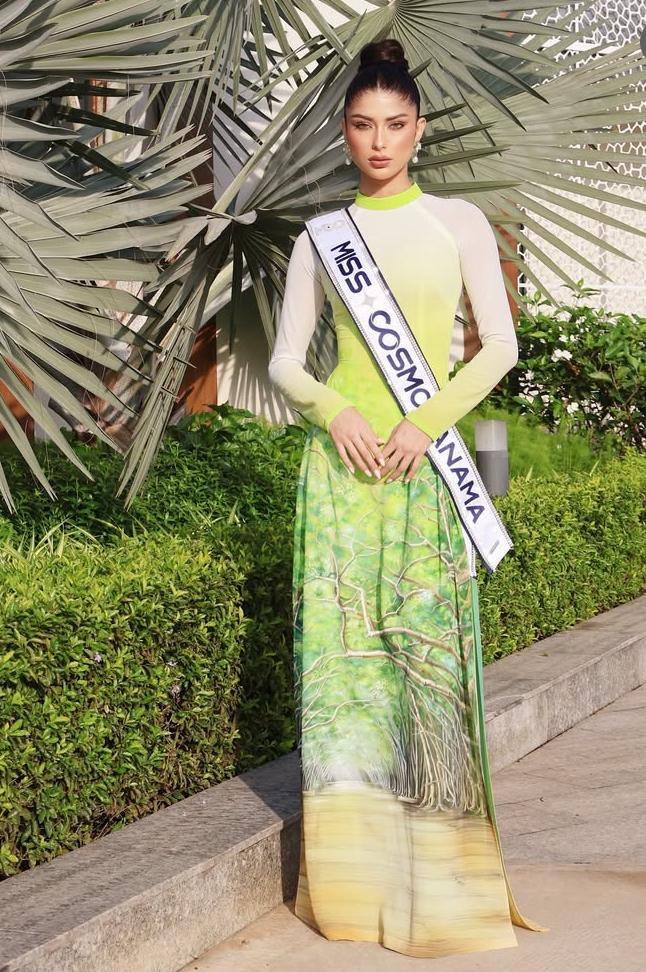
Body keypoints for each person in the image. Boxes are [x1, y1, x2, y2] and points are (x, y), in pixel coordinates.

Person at [268, 37, 547, 959]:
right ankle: (355, 890)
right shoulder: (320, 238)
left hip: (423, 475)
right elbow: (285, 361)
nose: (379, 141)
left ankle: (442, 887)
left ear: (419, 130)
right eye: (363, 125)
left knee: (427, 676)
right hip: (343, 481)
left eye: (395, 124)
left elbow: (499, 347)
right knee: (346, 677)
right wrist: (335, 410)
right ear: (345, 133)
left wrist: (425, 424)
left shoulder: (457, 223)